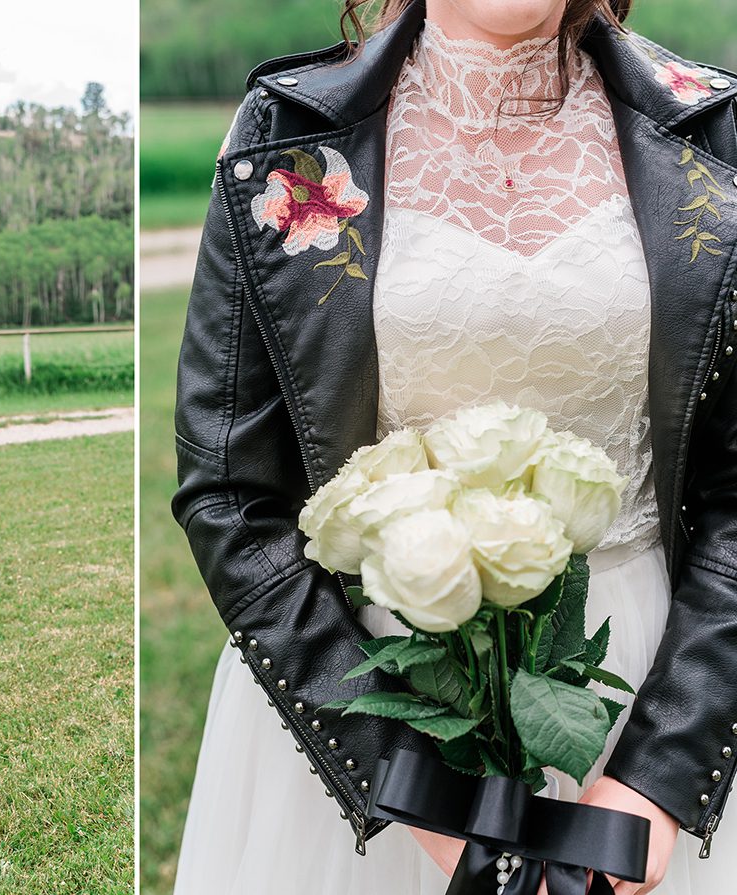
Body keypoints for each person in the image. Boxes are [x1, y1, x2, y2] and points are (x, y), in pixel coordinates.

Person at [171, 0, 737, 892]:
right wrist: (422, 794)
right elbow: (231, 495)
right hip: (374, 698)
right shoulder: (286, 136)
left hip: (646, 693)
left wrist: (658, 779)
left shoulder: (710, 130)